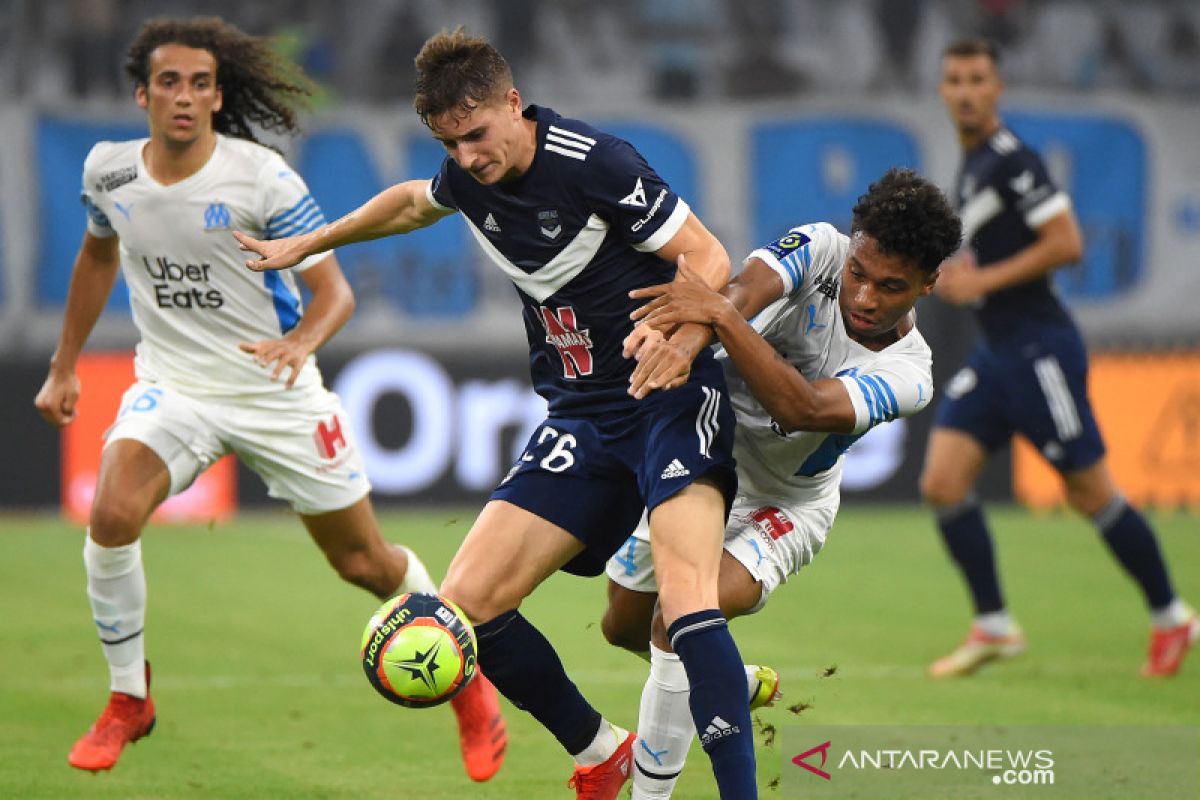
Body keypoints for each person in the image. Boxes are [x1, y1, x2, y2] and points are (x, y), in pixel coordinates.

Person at [234, 28, 757, 800]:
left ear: (514, 104)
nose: (468, 156)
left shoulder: (596, 163)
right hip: (581, 417)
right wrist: (312, 241)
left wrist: (682, 338)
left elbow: (710, 259)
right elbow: (413, 204)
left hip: (669, 399)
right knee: (464, 611)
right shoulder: (466, 174)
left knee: (683, 608)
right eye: (450, 142)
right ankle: (601, 751)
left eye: (477, 135)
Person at [33, 17, 506, 779]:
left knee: (364, 563)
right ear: (142, 94)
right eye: (168, 83)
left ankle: (468, 685)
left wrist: (300, 343)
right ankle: (129, 698)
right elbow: (95, 256)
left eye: (198, 83)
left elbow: (334, 292)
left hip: (276, 391)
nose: (183, 97)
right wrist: (64, 366)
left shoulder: (261, 178)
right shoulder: (106, 173)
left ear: (218, 97)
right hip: (176, 387)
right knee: (111, 512)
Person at [604, 168, 963, 798]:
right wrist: (702, 326)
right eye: (859, 273)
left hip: (784, 505)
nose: (865, 296)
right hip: (703, 459)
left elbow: (803, 408)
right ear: (851, 246)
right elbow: (740, 293)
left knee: (676, 614)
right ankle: (730, 680)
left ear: (928, 285)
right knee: (621, 626)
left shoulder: (911, 372)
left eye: (891, 286)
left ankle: (648, 794)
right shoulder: (821, 246)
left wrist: (720, 317)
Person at [922, 37, 1197, 678]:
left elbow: (1067, 242)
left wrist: (983, 283)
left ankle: (1170, 615)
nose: (964, 91)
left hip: (1041, 348)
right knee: (941, 482)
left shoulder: (1014, 160)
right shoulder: (971, 167)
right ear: (942, 90)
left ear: (997, 88)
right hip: (997, 352)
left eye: (976, 79)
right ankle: (993, 625)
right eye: (954, 79)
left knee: (1088, 491)